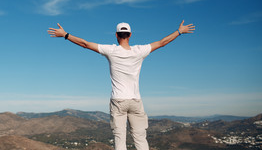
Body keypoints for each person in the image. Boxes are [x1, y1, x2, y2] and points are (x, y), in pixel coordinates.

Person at [47, 20, 195, 150]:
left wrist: (65, 35)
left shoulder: (111, 50)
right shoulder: (139, 51)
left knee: (120, 139)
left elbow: (85, 44)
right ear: (130, 35)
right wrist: (179, 31)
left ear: (116, 35)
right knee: (140, 139)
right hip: (136, 101)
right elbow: (162, 42)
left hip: (118, 101)